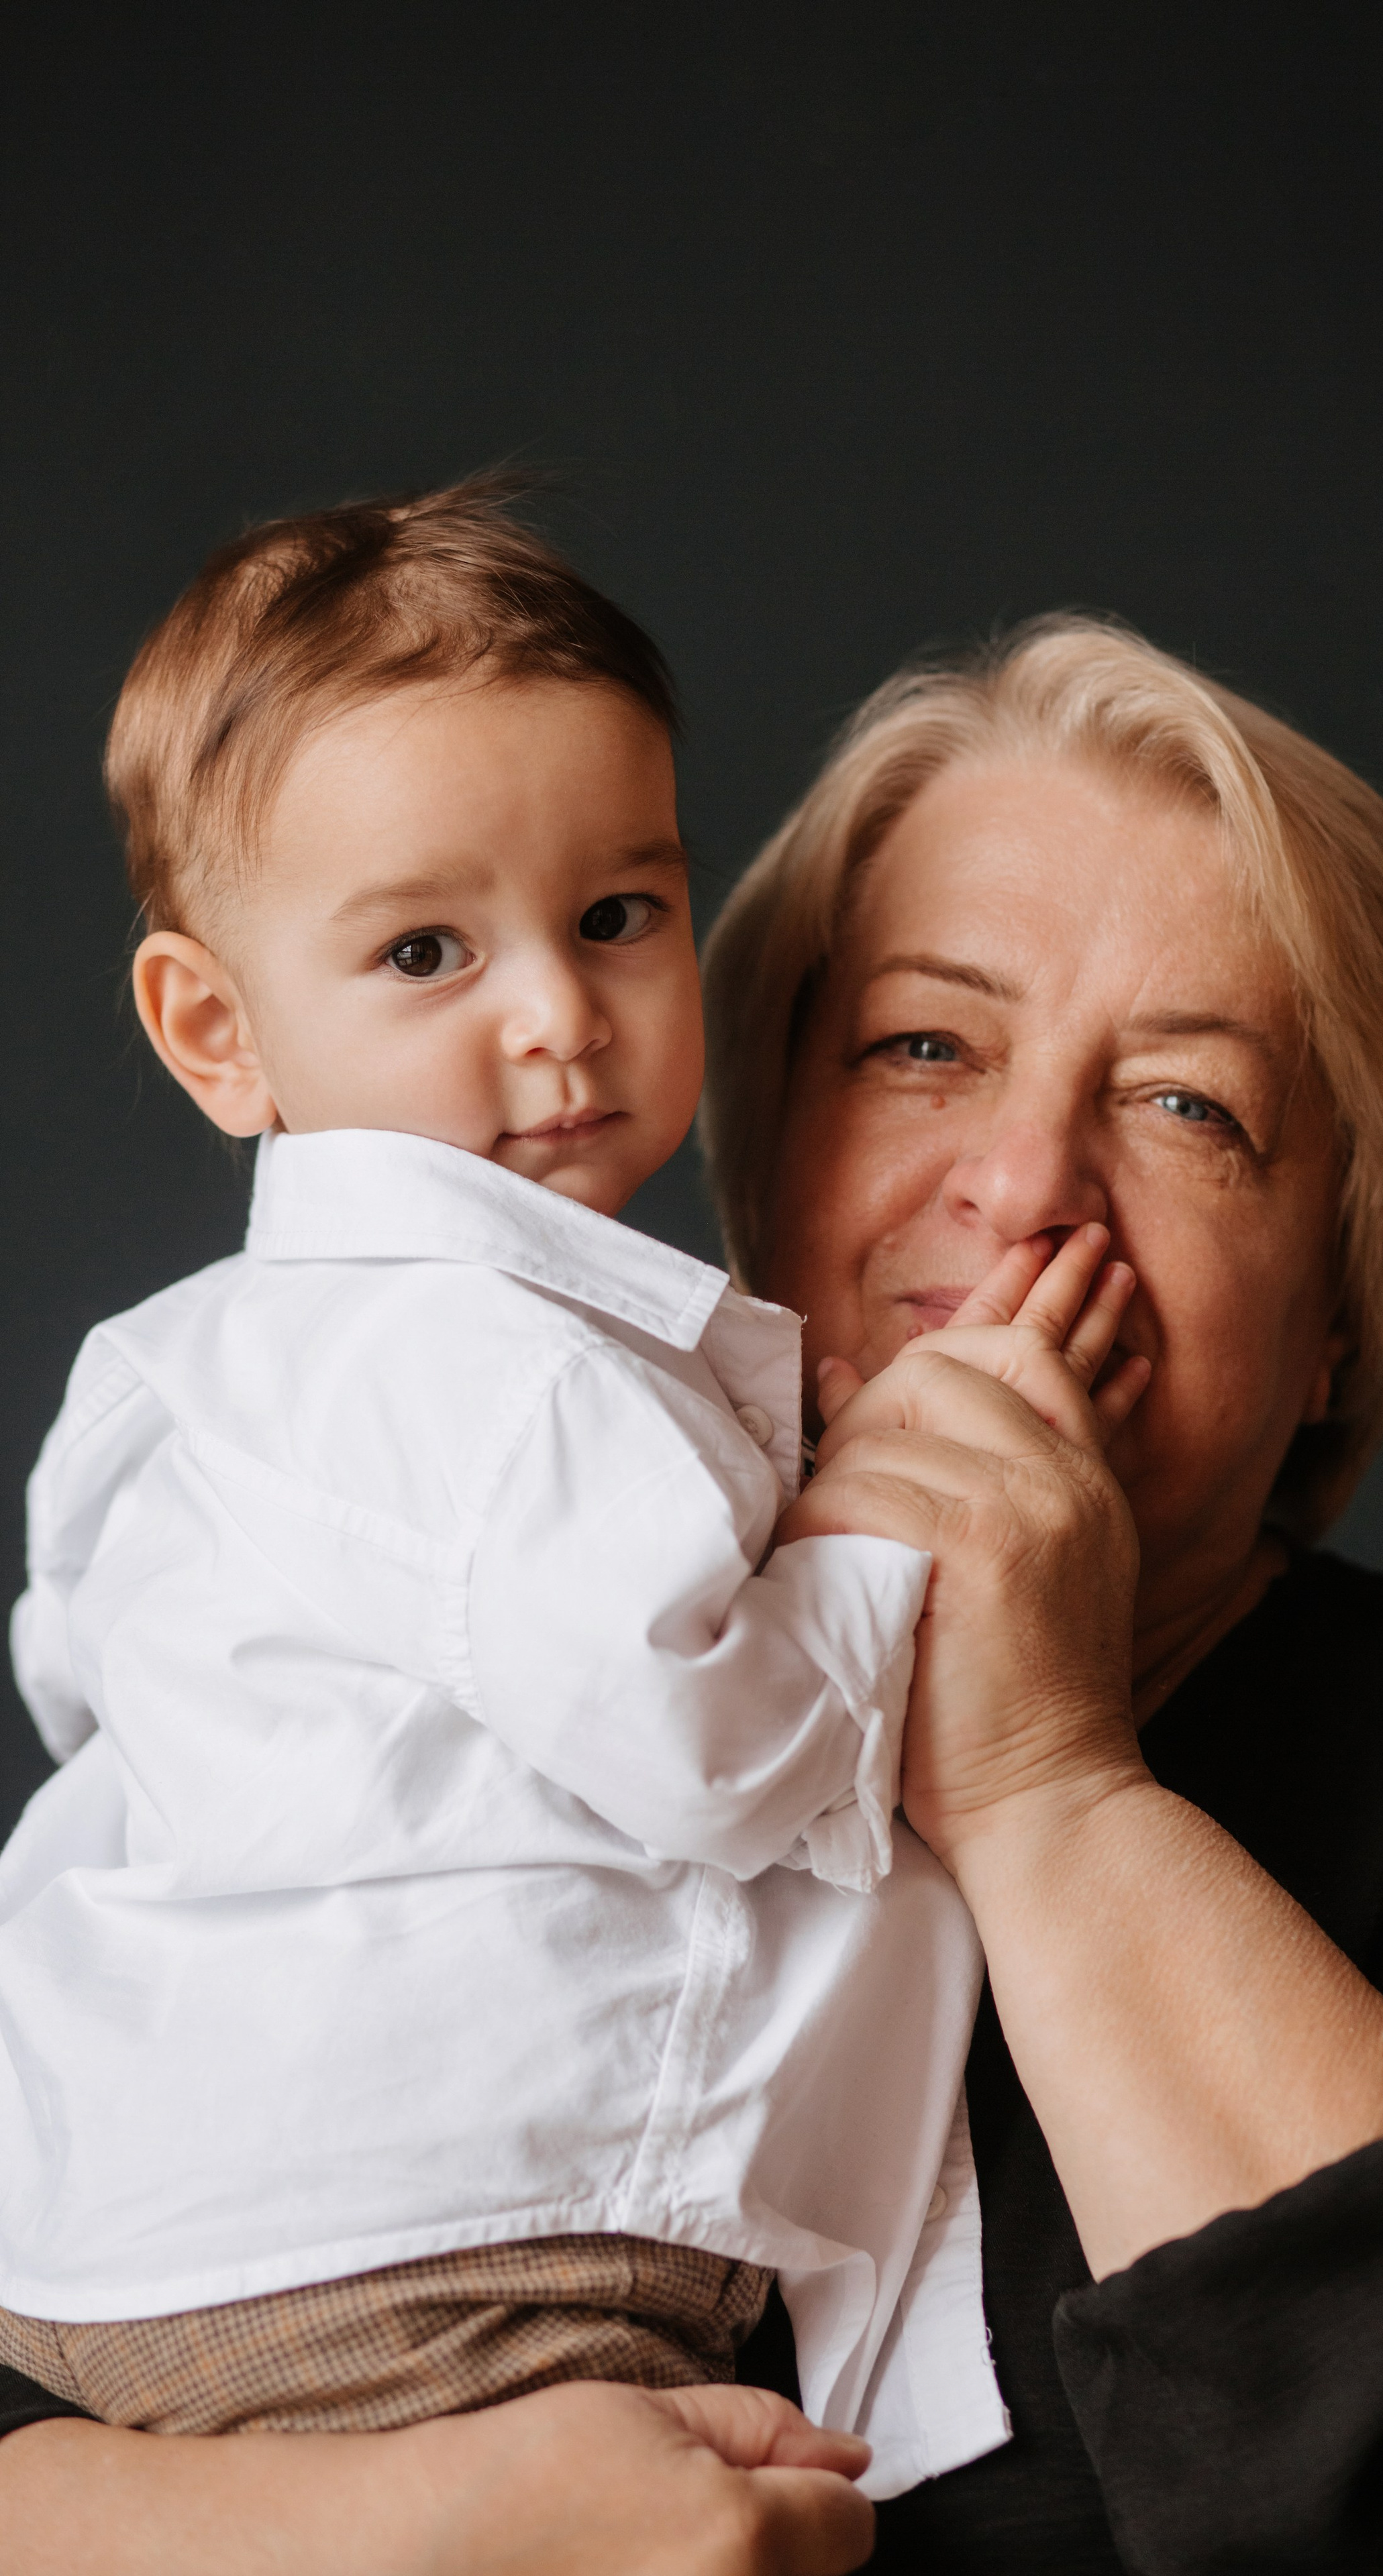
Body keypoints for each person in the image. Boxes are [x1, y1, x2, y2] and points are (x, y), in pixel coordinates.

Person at [3, 612, 1383, 2573]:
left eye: (1186, 1106)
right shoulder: (415, 1613)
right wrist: (395, 2523)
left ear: (1342, 1305)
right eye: (925, 1045)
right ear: (760, 1140)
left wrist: (1043, 1776)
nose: (1021, 1181)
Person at [0, 486, 1137, 2496]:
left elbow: (83, 1670)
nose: (557, 1013)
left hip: (115, 2221)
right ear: (213, 1029)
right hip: (433, 2248)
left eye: (617, 914)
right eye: (429, 950)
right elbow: (715, 1738)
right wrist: (882, 1511)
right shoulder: (507, 1363)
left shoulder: (179, 1356)